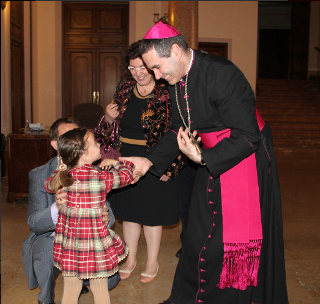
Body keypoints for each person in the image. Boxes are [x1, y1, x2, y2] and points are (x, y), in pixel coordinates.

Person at [120, 21, 288, 304]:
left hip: (244, 158)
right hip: (207, 157)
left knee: (230, 243)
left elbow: (248, 136)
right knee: (197, 234)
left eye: (158, 67)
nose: (157, 76)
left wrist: (205, 157)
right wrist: (149, 162)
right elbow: (177, 128)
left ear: (175, 50)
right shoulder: (176, 80)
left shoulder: (223, 74)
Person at [94, 40, 184, 283]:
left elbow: (177, 131)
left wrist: (168, 166)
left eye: (142, 68)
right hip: (125, 161)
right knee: (130, 214)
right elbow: (111, 130)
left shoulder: (168, 91)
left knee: (152, 216)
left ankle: (152, 261)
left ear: (152, 65)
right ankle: (130, 258)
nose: (138, 73)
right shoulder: (124, 89)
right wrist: (109, 118)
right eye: (132, 69)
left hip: (155, 160)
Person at [22, 118, 119, 304]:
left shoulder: (94, 172)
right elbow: (34, 223)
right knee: (44, 254)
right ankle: (46, 297)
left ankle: (83, 281)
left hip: (88, 238)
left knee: (109, 280)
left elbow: (111, 214)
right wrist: (56, 208)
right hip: (51, 236)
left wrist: (104, 216)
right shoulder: (40, 174)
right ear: (55, 145)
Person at [45, 128, 134, 304]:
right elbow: (126, 175)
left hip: (70, 245)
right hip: (95, 245)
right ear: (84, 155)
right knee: (100, 289)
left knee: (71, 288)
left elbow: (48, 185)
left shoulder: (62, 176)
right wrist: (117, 163)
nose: (99, 144)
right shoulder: (101, 177)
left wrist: (61, 167)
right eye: (95, 143)